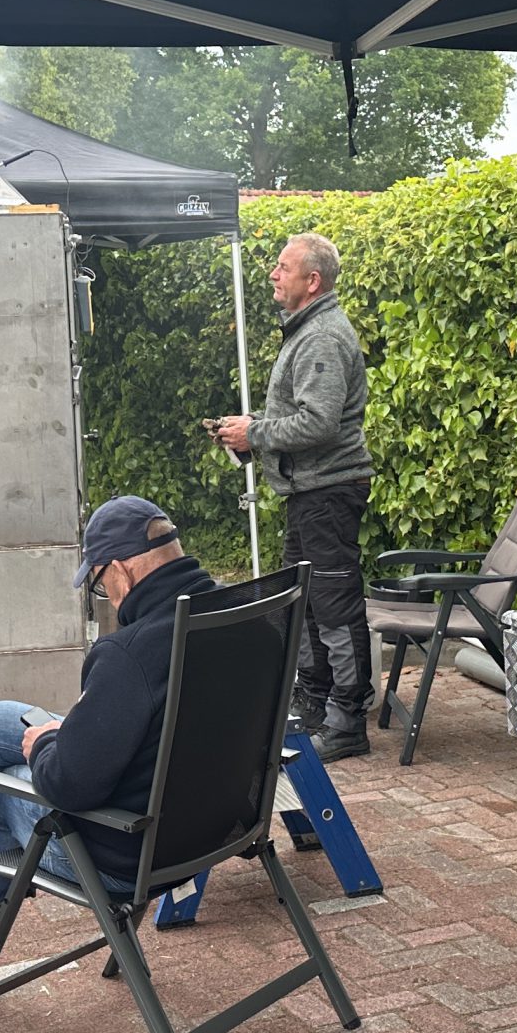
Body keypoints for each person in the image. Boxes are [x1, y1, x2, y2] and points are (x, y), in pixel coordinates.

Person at [0, 495, 221, 996]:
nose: (108, 597)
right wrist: (70, 734)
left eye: (100, 584)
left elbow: (69, 786)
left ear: (121, 569)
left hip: (125, 856)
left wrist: (47, 744)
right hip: (211, 833)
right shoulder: (239, 618)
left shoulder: (131, 654)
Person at [212, 231, 373, 761]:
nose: (273, 275)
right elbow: (304, 414)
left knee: (334, 606)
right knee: (304, 602)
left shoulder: (321, 336)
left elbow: (320, 423)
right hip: (309, 493)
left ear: (313, 280)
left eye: (283, 267)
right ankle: (313, 704)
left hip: (329, 493)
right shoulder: (306, 330)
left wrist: (255, 434)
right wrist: (251, 426)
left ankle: (347, 721)